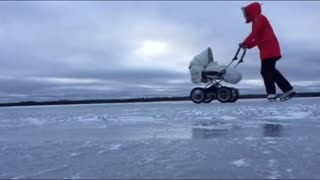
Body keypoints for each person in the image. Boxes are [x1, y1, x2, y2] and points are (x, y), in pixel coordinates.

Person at [239, 2, 296, 101]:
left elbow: (254, 33)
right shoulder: (256, 21)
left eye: (246, 13)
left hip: (269, 49)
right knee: (271, 71)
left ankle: (272, 93)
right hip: (267, 50)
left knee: (266, 71)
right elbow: (257, 39)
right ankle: (287, 90)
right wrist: (247, 45)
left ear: (251, 11)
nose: (245, 15)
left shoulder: (259, 18)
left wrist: (244, 42)